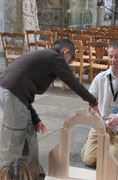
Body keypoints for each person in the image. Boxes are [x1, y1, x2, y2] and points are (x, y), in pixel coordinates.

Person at [0, 38, 98, 179]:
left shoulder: (45, 56)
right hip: (11, 94)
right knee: (13, 141)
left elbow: (25, 94)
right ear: (66, 52)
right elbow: (73, 83)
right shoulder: (55, 57)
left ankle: (35, 175)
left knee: (30, 136)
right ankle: (7, 175)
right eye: (69, 61)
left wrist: (35, 119)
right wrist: (92, 101)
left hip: (16, 95)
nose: (67, 64)